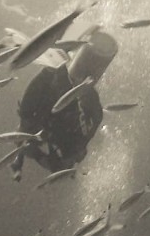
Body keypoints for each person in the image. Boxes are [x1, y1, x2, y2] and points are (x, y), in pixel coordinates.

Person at [11, 28, 118, 179]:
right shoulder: (53, 76)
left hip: (59, 138)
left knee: (66, 160)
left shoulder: (55, 77)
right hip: (56, 135)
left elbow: (65, 162)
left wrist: (37, 155)